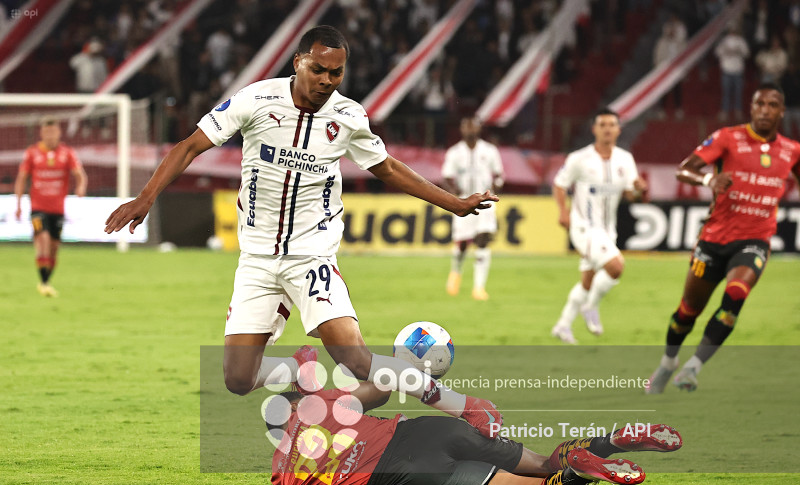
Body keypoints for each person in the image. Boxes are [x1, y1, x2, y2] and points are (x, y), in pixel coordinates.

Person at [104, 26, 501, 436]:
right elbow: (189, 146)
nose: (327, 81)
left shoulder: (348, 117)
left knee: (358, 363)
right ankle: (299, 368)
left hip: (311, 257)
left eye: (337, 73)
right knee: (238, 379)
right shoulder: (255, 100)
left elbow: (388, 169)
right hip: (257, 259)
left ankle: (464, 406)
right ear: (298, 63)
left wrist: (453, 203)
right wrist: (146, 197)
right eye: (319, 70)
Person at [267, 381, 683, 485]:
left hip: (407, 475)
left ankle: (575, 471)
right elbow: (391, 380)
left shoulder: (281, 474)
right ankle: (607, 442)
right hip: (426, 431)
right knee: (540, 463)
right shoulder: (321, 405)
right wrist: (464, 406)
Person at [646, 83, 800, 393]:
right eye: (760, 104)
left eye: (773, 105)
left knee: (736, 294)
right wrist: (708, 179)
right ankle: (668, 362)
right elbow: (684, 170)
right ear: (752, 108)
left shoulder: (792, 150)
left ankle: (693, 367)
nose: (766, 110)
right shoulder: (728, 138)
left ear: (781, 112)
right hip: (713, 240)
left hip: (755, 240)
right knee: (688, 311)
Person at [551, 109, 647, 344]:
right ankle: (591, 306)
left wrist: (638, 190)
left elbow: (629, 194)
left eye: (611, 125)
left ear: (618, 130)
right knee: (616, 267)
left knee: (588, 280)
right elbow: (559, 184)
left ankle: (562, 325)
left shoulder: (625, 159)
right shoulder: (579, 158)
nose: (607, 129)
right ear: (594, 129)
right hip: (583, 227)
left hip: (607, 230)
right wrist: (563, 211)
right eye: (602, 124)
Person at [15, 117, 88, 297]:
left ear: (59, 133)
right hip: (37, 208)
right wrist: (18, 203)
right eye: (46, 132)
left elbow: (80, 175)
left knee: (54, 248)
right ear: (41, 133)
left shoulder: (67, 153)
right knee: (43, 240)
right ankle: (45, 282)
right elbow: (21, 178)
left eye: (53, 132)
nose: (50, 136)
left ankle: (45, 281)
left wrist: (81, 186)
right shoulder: (32, 153)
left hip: (57, 209)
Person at [442, 117, 504, 301]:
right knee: (462, 244)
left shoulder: (489, 151)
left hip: (485, 201)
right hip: (463, 201)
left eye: (473, 126)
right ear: (461, 129)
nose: (469, 130)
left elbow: (499, 174)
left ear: (479, 129)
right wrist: (455, 194)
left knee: (483, 239)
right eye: (466, 126)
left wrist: (496, 187)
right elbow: (446, 177)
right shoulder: (454, 152)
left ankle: (479, 288)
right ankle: (456, 272)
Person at [715, 26, 750, 121]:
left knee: (738, 93)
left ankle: (738, 111)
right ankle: (725, 111)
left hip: (738, 71)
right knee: (726, 93)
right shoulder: (724, 41)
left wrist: (739, 51)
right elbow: (717, 52)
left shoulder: (741, 41)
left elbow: (747, 53)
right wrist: (726, 51)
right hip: (726, 70)